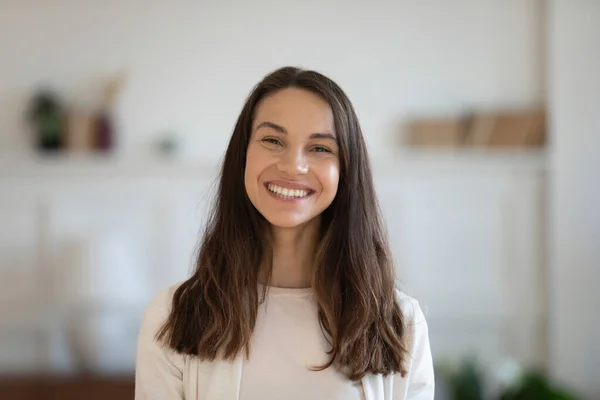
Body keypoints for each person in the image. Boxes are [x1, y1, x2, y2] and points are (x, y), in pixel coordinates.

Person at [135, 66, 434, 400]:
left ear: (345, 170)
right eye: (273, 140)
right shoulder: (171, 317)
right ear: (243, 155)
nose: (294, 165)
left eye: (320, 148)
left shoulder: (400, 324)